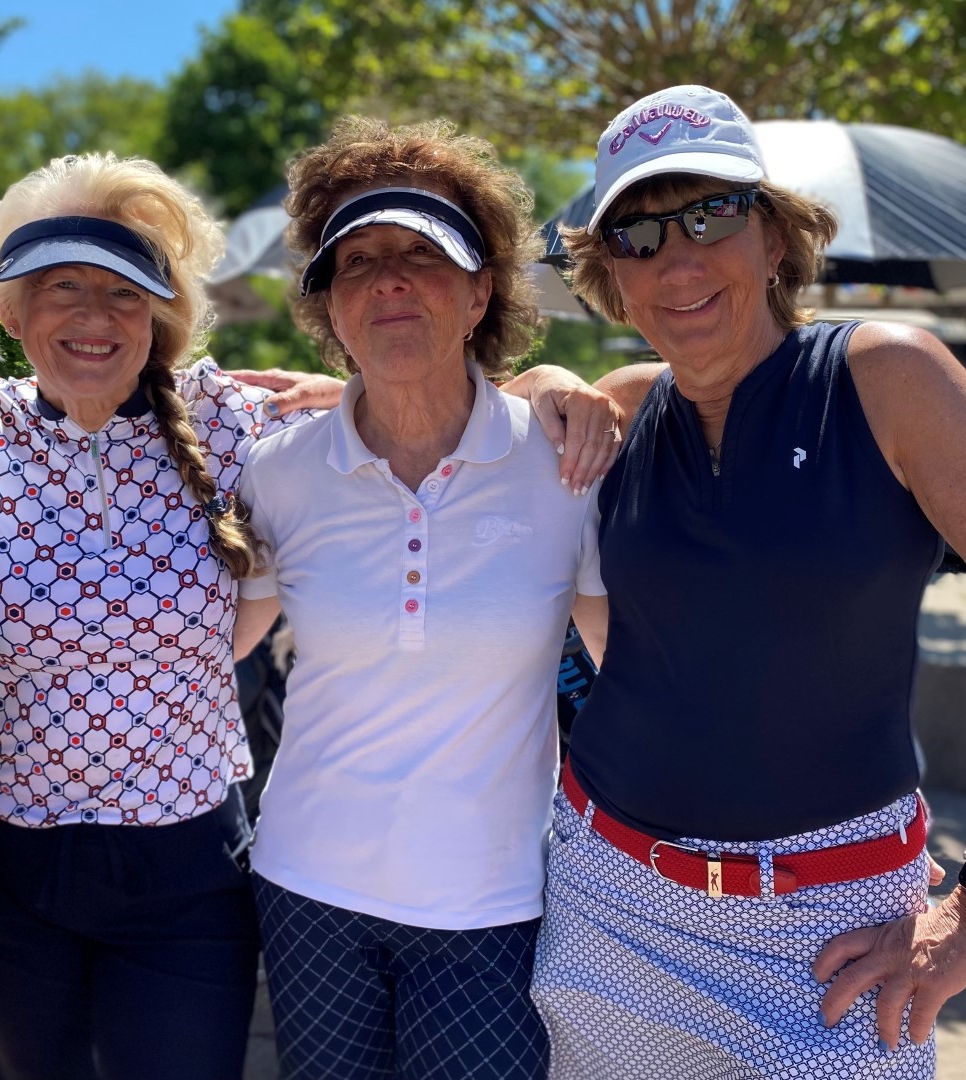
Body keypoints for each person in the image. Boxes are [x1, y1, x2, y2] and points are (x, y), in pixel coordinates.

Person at [0, 151, 618, 1079]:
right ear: (6, 313)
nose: (92, 316)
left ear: (159, 315)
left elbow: (415, 394)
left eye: (122, 291)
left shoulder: (233, 425)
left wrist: (553, 383)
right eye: (61, 287)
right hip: (7, 867)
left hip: (187, 868)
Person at [529, 84, 966, 1079]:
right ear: (610, 276)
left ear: (775, 236)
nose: (679, 260)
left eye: (712, 214)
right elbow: (477, 419)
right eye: (639, 235)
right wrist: (539, 385)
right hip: (605, 905)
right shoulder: (620, 409)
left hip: (834, 936)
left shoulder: (887, 379)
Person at [234, 116, 611, 1080]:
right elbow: (208, 643)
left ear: (482, 290)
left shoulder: (567, 465)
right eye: (358, 261)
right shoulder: (276, 472)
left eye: (423, 254)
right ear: (329, 305)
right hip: (307, 891)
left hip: (495, 906)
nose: (390, 280)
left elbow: (638, 676)